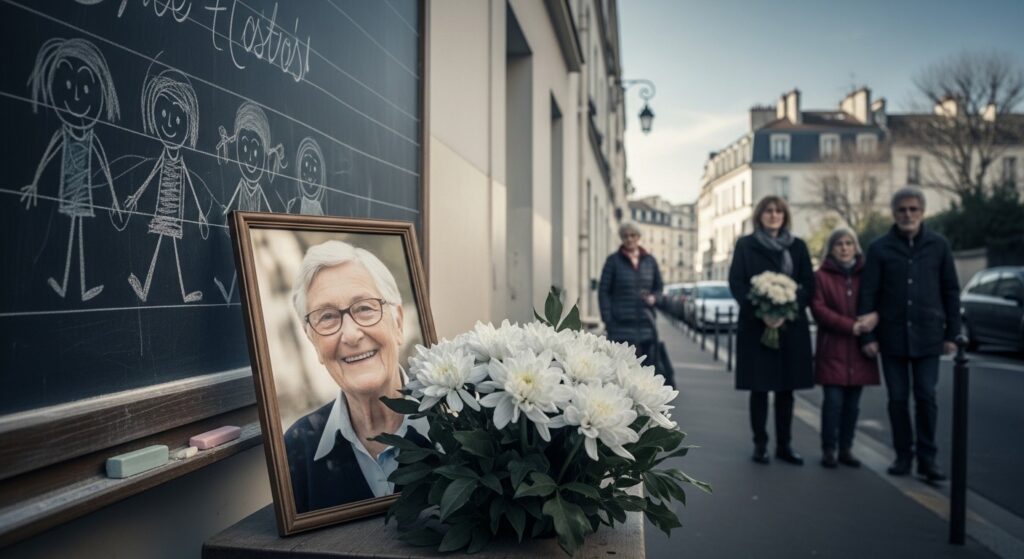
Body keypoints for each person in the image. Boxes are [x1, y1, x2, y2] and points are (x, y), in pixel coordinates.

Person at [284, 240, 428, 513]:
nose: (350, 335)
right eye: (327, 317)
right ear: (313, 341)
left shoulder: (457, 427)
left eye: (364, 308)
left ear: (397, 322)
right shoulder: (295, 447)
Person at [857, 187, 960, 482]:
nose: (908, 214)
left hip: (929, 337)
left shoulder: (939, 245)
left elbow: (950, 290)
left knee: (927, 397)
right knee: (898, 399)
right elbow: (868, 293)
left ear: (922, 212)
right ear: (894, 213)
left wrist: (953, 333)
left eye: (913, 209)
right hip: (891, 337)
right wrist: (867, 337)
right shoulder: (879, 248)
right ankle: (903, 455)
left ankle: (929, 459)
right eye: (902, 209)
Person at [728, 196, 814, 465]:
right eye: (768, 211)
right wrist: (763, 312)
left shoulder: (797, 246)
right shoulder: (746, 245)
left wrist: (785, 311)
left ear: (785, 215)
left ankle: (785, 445)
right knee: (760, 388)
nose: (774, 215)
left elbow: (809, 284)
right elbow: (737, 282)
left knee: (787, 389)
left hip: (790, 328)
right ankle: (760, 444)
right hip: (756, 327)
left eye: (778, 211)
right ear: (760, 216)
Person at [809, 228, 880, 468]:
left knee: (852, 405)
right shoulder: (821, 276)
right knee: (833, 403)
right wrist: (851, 326)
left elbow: (876, 301)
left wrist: (870, 324)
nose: (844, 247)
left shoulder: (867, 274)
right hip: (833, 348)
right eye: (839, 243)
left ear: (856, 247)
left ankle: (846, 448)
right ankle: (829, 449)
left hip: (859, 352)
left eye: (849, 243)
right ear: (831, 248)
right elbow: (819, 309)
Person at [599, 222, 664, 374]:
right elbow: (604, 292)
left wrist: (654, 298)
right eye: (625, 236)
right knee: (620, 372)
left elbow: (659, 288)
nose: (629, 239)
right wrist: (608, 320)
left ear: (638, 237)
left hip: (646, 325)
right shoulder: (613, 261)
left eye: (632, 235)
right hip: (620, 327)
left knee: (645, 372)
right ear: (621, 238)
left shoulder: (650, 261)